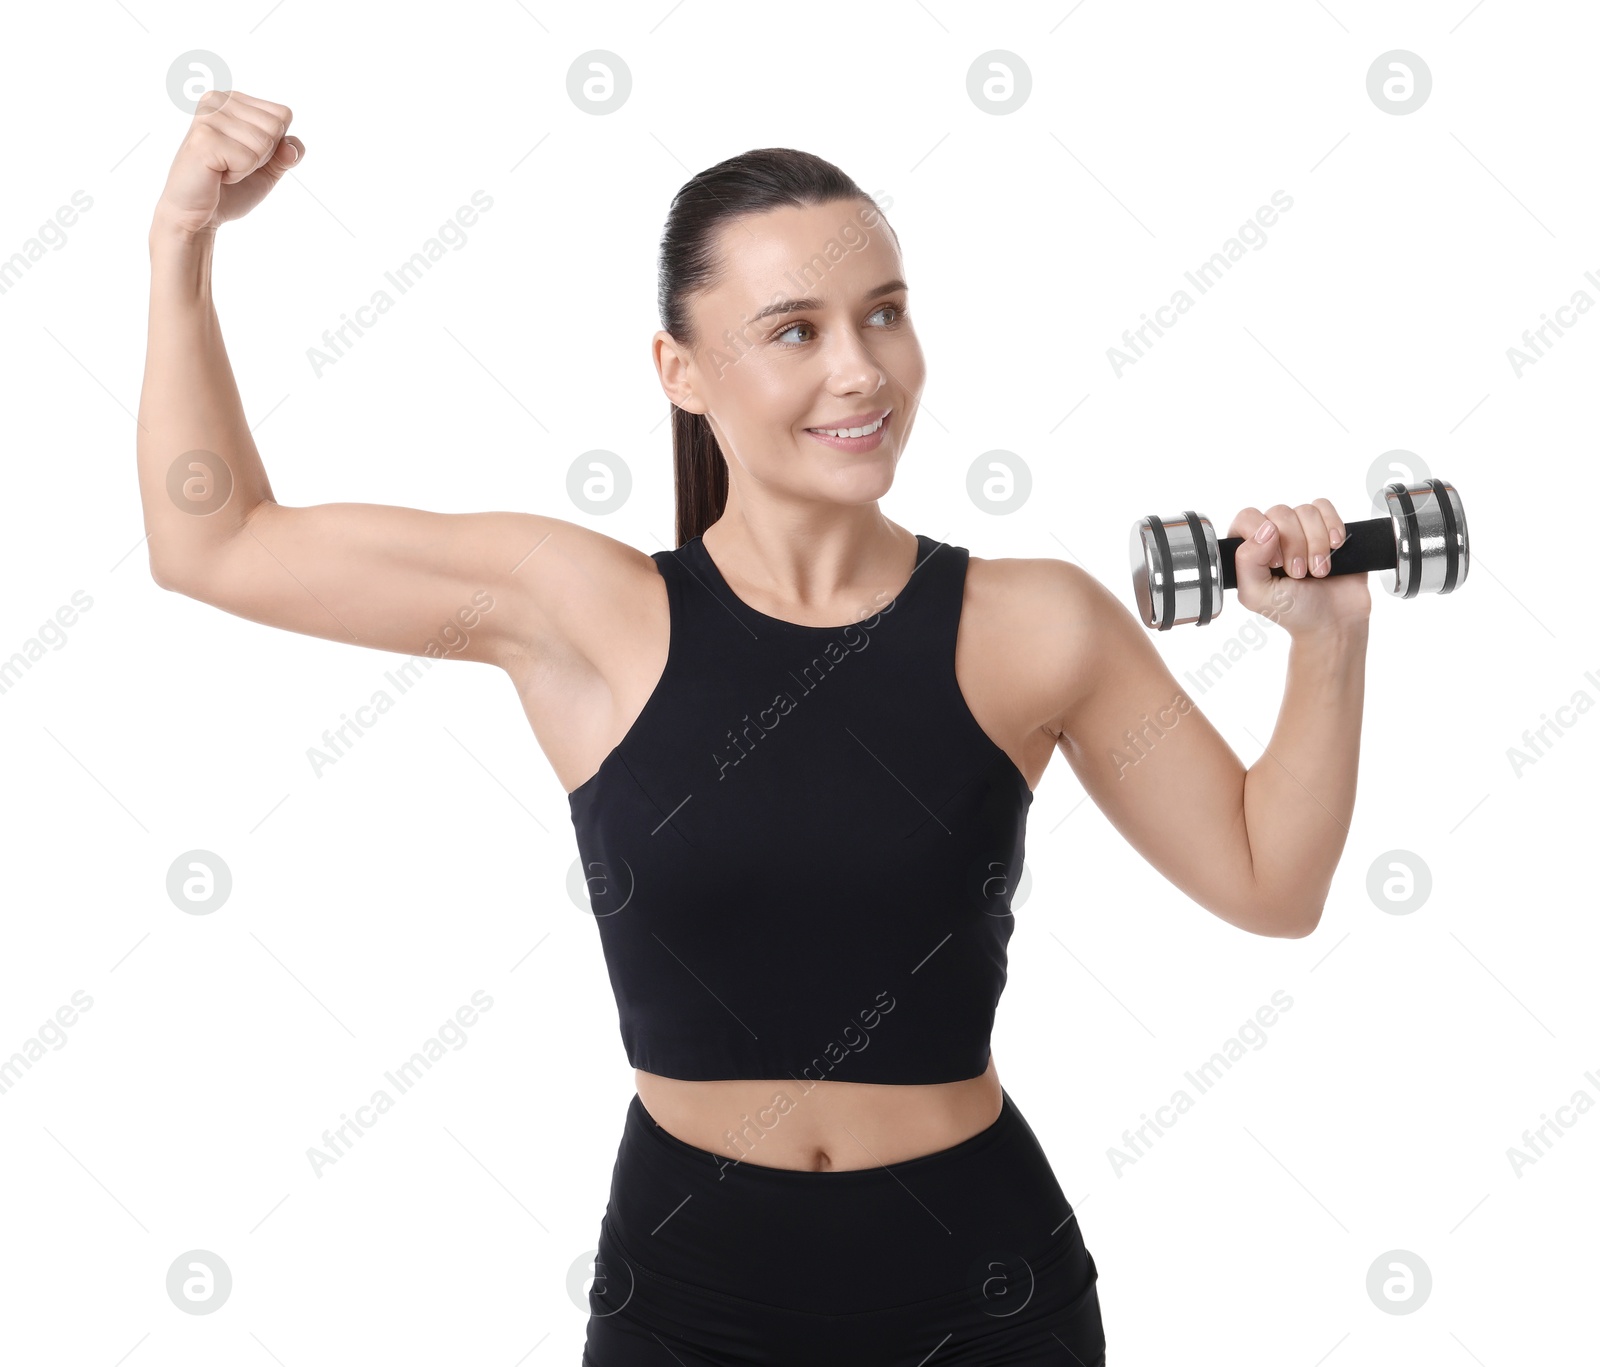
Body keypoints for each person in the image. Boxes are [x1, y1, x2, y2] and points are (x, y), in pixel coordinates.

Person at [138, 92, 1371, 1366]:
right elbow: (212, 539)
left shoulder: (1035, 624)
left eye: (884, 312)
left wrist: (1327, 643)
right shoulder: (582, 611)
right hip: (690, 1299)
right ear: (681, 370)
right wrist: (183, 237)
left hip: (980, 1288)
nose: (862, 368)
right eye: (796, 329)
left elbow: (1270, 881)